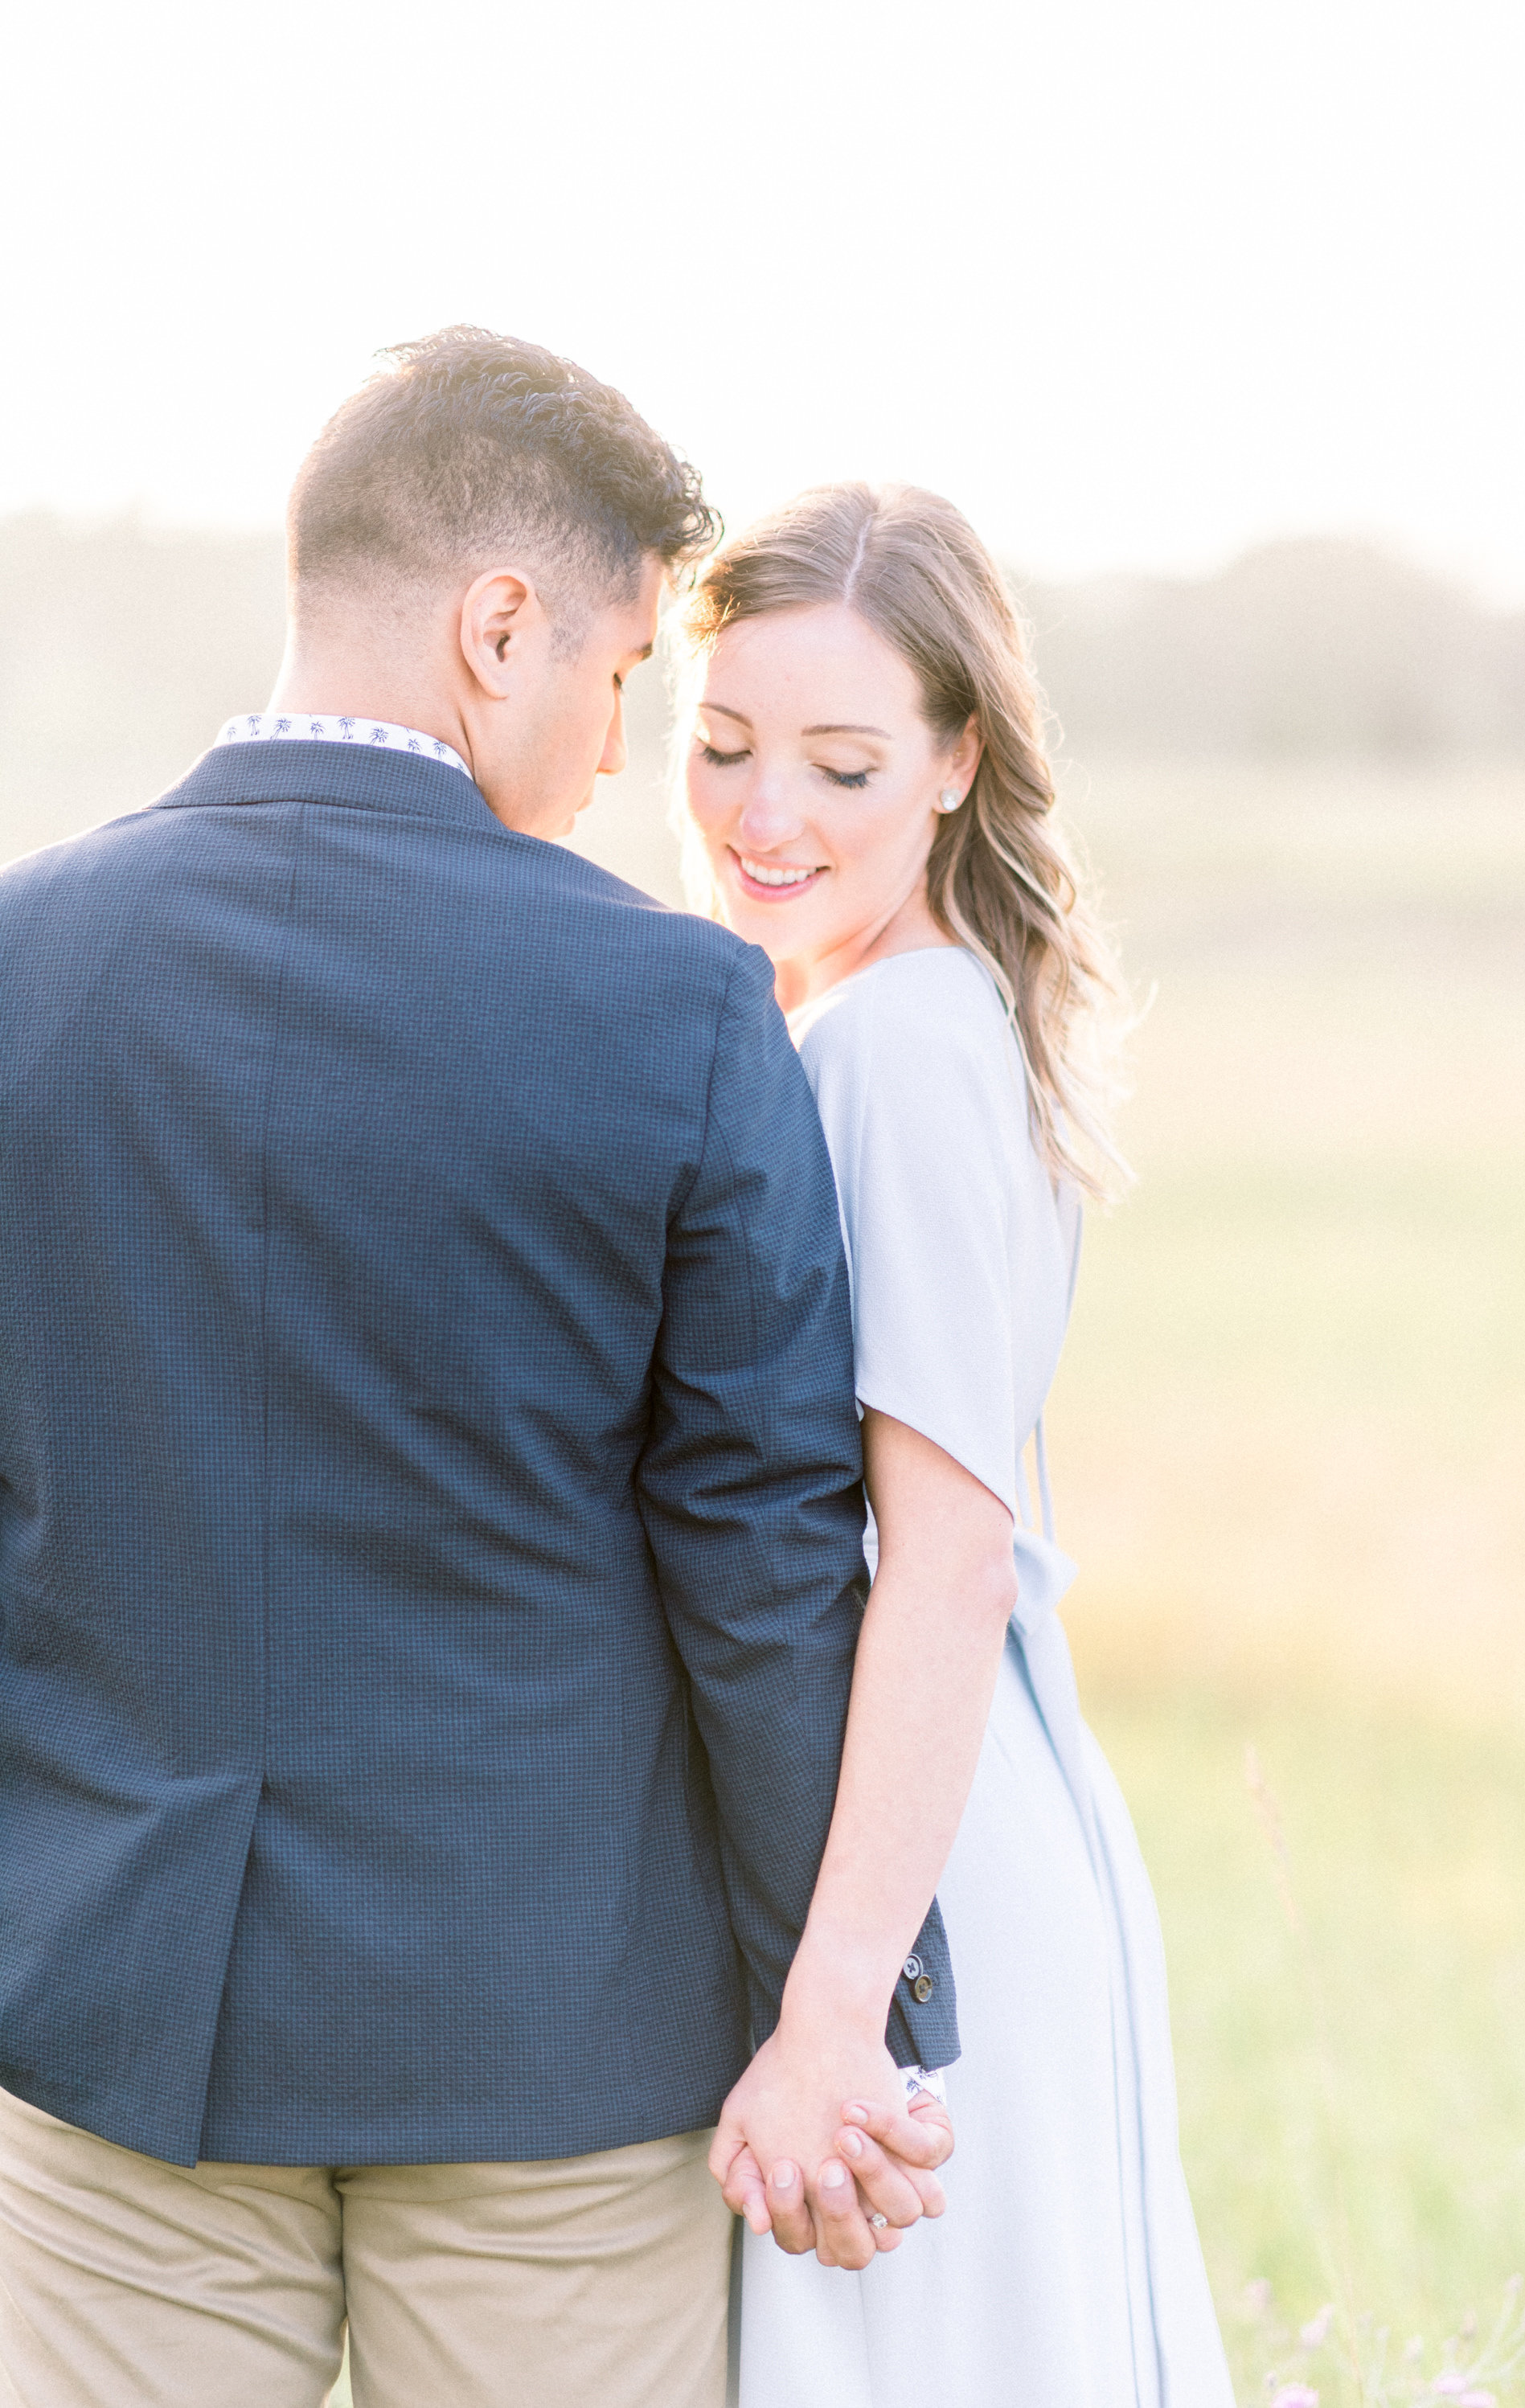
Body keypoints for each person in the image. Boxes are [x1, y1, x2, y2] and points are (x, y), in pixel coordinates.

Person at [0, 334, 949, 2408]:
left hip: (108, 2026)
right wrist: (844, 2007)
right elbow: (764, 1561)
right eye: (617, 678)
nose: (616, 755)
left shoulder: (18, 960)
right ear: (495, 624)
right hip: (554, 2058)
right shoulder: (677, 1008)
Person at [681, 483, 1238, 2405]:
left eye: (840, 762)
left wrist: (841, 2004)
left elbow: (943, 1551)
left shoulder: (897, 1049)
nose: (768, 816)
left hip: (917, 1886)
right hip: (954, 1824)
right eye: (724, 745)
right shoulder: (919, 1014)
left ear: (954, 760)